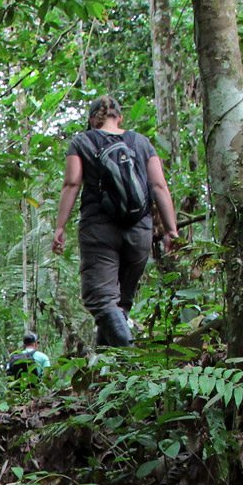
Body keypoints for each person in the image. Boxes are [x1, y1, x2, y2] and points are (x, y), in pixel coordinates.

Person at [49, 95, 180, 348]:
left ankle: (134, 366)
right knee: (120, 304)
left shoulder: (83, 142)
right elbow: (159, 186)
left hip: (99, 229)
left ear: (91, 120)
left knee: (101, 300)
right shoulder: (141, 143)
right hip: (139, 230)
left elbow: (72, 183)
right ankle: (110, 380)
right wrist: (170, 230)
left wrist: (60, 227)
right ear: (120, 117)